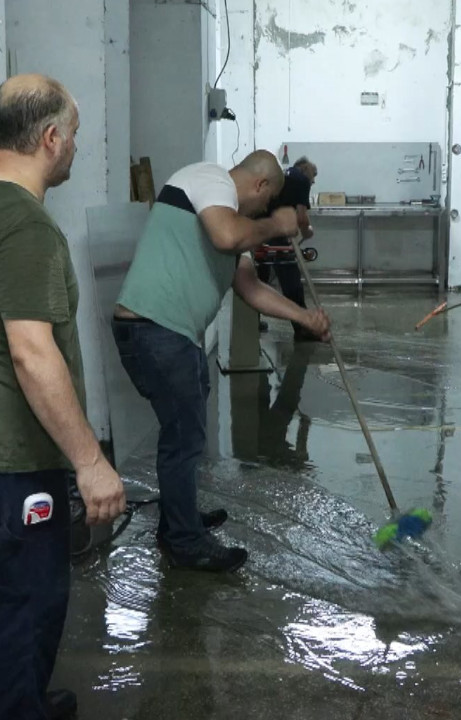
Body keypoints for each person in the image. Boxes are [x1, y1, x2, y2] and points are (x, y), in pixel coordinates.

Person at [0, 74, 125, 720]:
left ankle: (13, 701)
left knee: (5, 597)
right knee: (27, 608)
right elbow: (32, 355)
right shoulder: (25, 227)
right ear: (50, 138)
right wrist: (91, 462)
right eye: (74, 137)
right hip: (6, 458)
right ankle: (13, 706)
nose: (75, 149)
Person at [112, 151, 331, 573]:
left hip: (174, 335)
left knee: (187, 433)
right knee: (183, 437)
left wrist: (304, 318)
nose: (258, 214)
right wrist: (274, 225)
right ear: (260, 186)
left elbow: (250, 289)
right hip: (152, 329)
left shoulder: (228, 217)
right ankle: (184, 542)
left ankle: (180, 520)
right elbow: (227, 237)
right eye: (261, 205)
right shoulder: (210, 180)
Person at [256, 158, 318, 339]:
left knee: (259, 279)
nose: (312, 182)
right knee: (291, 282)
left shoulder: (283, 175)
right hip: (276, 233)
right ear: (307, 169)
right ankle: (302, 329)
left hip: (258, 232)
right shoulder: (302, 180)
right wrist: (307, 233)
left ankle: (252, 322)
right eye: (313, 177)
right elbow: (301, 218)